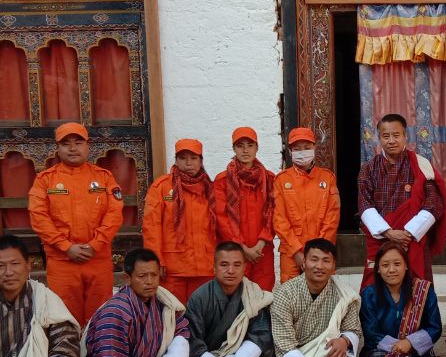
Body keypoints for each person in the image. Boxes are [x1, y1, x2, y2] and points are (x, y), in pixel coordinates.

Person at [254, 238, 361, 357]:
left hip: (323, 356)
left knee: (337, 348)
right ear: (304, 263)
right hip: (289, 356)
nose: (319, 266)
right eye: (314, 259)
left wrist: (345, 341)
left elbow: (353, 329)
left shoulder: (344, 293)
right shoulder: (284, 293)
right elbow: (284, 343)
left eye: (326, 261)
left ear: (334, 266)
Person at [28, 122, 124, 326]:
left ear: (88, 146)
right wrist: (66, 247)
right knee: (64, 318)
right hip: (63, 262)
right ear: (57, 148)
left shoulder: (104, 178)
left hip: (97, 259)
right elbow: (39, 218)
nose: (73, 148)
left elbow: (114, 214)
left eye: (78, 142)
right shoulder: (45, 180)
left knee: (100, 316)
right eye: (66, 144)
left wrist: (95, 245)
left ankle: (98, 355)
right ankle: (68, 356)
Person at [183, 241, 273, 357]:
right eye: (224, 265)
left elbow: (261, 334)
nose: (230, 270)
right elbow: (193, 340)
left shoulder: (253, 294)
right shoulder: (199, 297)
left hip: (236, 355)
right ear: (214, 267)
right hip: (208, 356)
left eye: (236, 265)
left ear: (244, 267)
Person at [358, 113, 446, 286]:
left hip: (412, 240)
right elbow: (364, 204)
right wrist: (389, 233)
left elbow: (434, 203)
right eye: (386, 136)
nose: (391, 140)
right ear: (379, 138)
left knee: (416, 289)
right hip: (381, 239)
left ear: (405, 136)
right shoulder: (368, 169)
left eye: (396, 135)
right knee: (377, 289)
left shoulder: (421, 165)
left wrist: (409, 232)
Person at [359, 241, 443, 357]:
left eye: (397, 264)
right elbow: (371, 334)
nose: (391, 270)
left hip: (416, 353)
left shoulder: (423, 291)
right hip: (379, 353)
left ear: (406, 266)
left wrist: (410, 343)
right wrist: (397, 347)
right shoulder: (369, 295)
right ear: (378, 269)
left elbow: (435, 327)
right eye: (385, 265)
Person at [142, 138, 218, 303]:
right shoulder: (161, 187)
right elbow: (151, 227)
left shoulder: (211, 189)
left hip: (205, 267)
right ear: (176, 160)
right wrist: (156, 260)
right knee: (172, 315)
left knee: (202, 316)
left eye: (193, 158)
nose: (188, 163)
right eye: (183, 158)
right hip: (172, 269)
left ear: (201, 160)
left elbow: (219, 228)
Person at [212, 127, 276, 290]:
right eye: (240, 145)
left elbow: (274, 213)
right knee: (235, 297)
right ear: (233, 148)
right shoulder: (222, 181)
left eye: (250, 145)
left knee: (263, 296)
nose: (245, 150)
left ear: (257, 148)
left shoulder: (269, 179)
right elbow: (221, 217)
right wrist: (242, 248)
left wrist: (260, 244)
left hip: (262, 251)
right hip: (234, 251)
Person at [274, 127, 340, 283]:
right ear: (290, 151)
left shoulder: (327, 178)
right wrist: (297, 251)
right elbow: (279, 219)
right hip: (291, 254)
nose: (302, 152)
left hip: (322, 251)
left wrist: (317, 252)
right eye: (297, 149)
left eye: (307, 148)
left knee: (323, 297)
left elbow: (333, 216)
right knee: (291, 299)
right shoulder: (281, 180)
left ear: (314, 147)